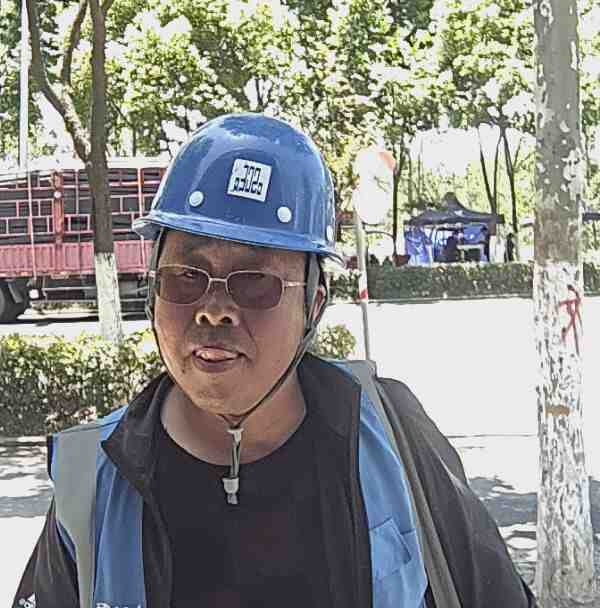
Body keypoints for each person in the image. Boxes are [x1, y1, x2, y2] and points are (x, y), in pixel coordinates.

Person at [13, 114, 536, 608]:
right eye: (187, 277)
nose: (214, 310)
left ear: (313, 305)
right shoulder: (92, 478)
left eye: (255, 282)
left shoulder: (391, 439)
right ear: (152, 292)